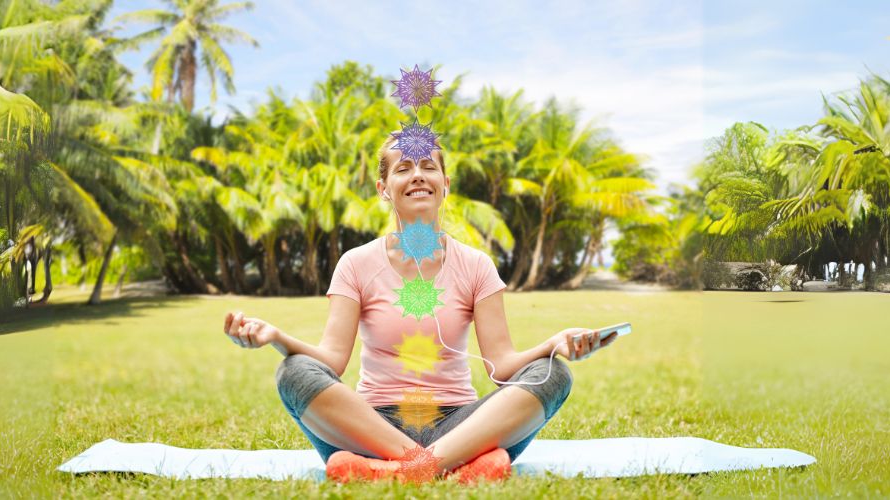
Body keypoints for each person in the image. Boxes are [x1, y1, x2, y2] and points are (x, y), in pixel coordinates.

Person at [222, 136, 618, 484]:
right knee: (293, 372)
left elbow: (501, 368)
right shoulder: (355, 264)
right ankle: (456, 469)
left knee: (553, 375)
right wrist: (276, 338)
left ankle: (399, 471)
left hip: (460, 426)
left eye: (429, 166)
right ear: (383, 187)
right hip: (372, 427)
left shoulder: (476, 265)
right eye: (403, 168)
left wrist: (554, 346)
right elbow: (331, 362)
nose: (417, 175)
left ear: (444, 185)